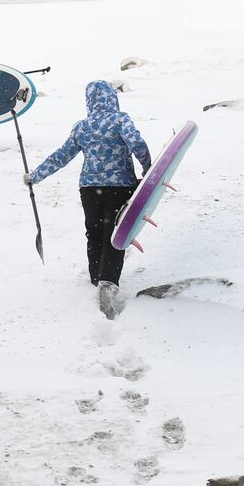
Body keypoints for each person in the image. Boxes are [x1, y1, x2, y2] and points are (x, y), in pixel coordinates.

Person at [24, 80, 152, 318]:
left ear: (89, 102)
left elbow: (61, 156)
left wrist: (35, 176)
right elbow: (136, 143)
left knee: (93, 232)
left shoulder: (82, 127)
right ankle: (107, 283)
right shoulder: (120, 120)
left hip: (89, 189)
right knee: (113, 235)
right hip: (119, 187)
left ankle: (96, 277)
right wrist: (148, 167)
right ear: (112, 98)